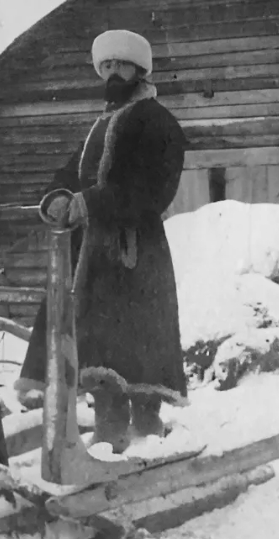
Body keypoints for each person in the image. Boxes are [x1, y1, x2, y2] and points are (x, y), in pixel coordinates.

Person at [14, 29, 188, 454]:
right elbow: (70, 174)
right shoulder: (101, 125)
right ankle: (109, 433)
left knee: (136, 346)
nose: (112, 73)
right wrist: (58, 199)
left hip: (134, 253)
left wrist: (89, 202)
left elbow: (153, 191)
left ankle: (148, 438)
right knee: (98, 349)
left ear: (139, 69)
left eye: (121, 65)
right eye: (106, 66)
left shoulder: (157, 121)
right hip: (91, 252)